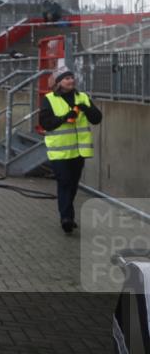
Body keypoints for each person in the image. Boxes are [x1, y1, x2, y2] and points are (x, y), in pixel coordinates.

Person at [39, 68, 102, 234]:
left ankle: (69, 216)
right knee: (65, 182)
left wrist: (86, 108)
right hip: (59, 151)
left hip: (79, 152)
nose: (71, 80)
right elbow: (45, 123)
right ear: (59, 82)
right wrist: (64, 117)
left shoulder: (82, 97)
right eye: (66, 78)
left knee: (73, 185)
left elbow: (97, 119)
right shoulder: (49, 99)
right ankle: (66, 218)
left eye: (72, 77)